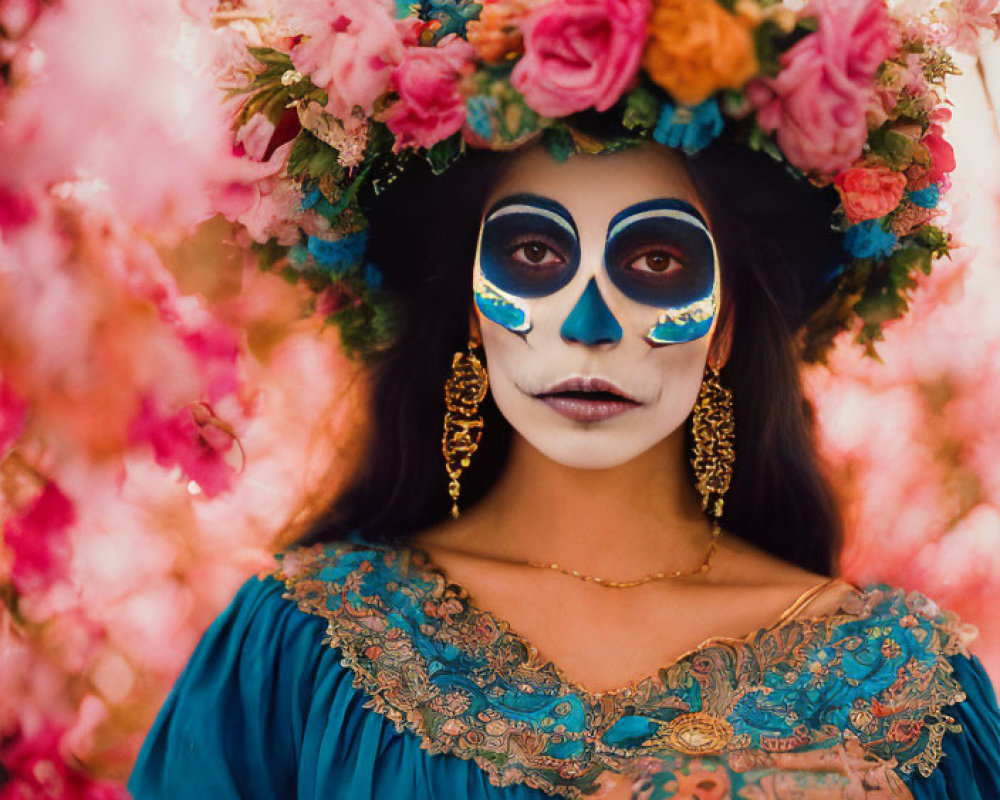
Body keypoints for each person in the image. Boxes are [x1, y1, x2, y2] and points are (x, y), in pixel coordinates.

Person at [128, 1, 1000, 798]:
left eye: (656, 262)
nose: (587, 325)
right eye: (536, 255)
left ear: (728, 325)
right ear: (471, 306)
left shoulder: (909, 689)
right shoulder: (298, 648)